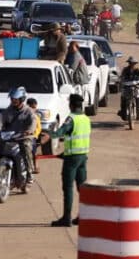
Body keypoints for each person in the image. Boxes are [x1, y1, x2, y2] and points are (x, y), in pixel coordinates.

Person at [48, 94, 91, 227]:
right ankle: (84, 216)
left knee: (68, 188)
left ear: (71, 105)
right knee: (82, 188)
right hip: (83, 157)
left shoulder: (71, 119)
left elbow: (60, 132)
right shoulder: (85, 118)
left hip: (72, 159)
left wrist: (48, 134)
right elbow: (79, 138)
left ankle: (66, 218)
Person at [0, 87, 36, 188]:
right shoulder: (8, 110)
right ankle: (2, 170)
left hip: (23, 137)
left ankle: (29, 174)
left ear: (22, 99)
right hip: (10, 136)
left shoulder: (28, 111)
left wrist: (29, 130)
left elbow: (33, 122)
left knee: (26, 148)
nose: (13, 101)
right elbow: (0, 120)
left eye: (15, 99)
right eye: (12, 99)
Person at [27, 98, 43, 174]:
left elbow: (39, 127)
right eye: (32, 107)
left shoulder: (36, 116)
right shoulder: (23, 115)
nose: (34, 109)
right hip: (23, 136)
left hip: (32, 137)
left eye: (35, 107)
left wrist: (35, 135)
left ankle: (35, 167)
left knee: (33, 152)